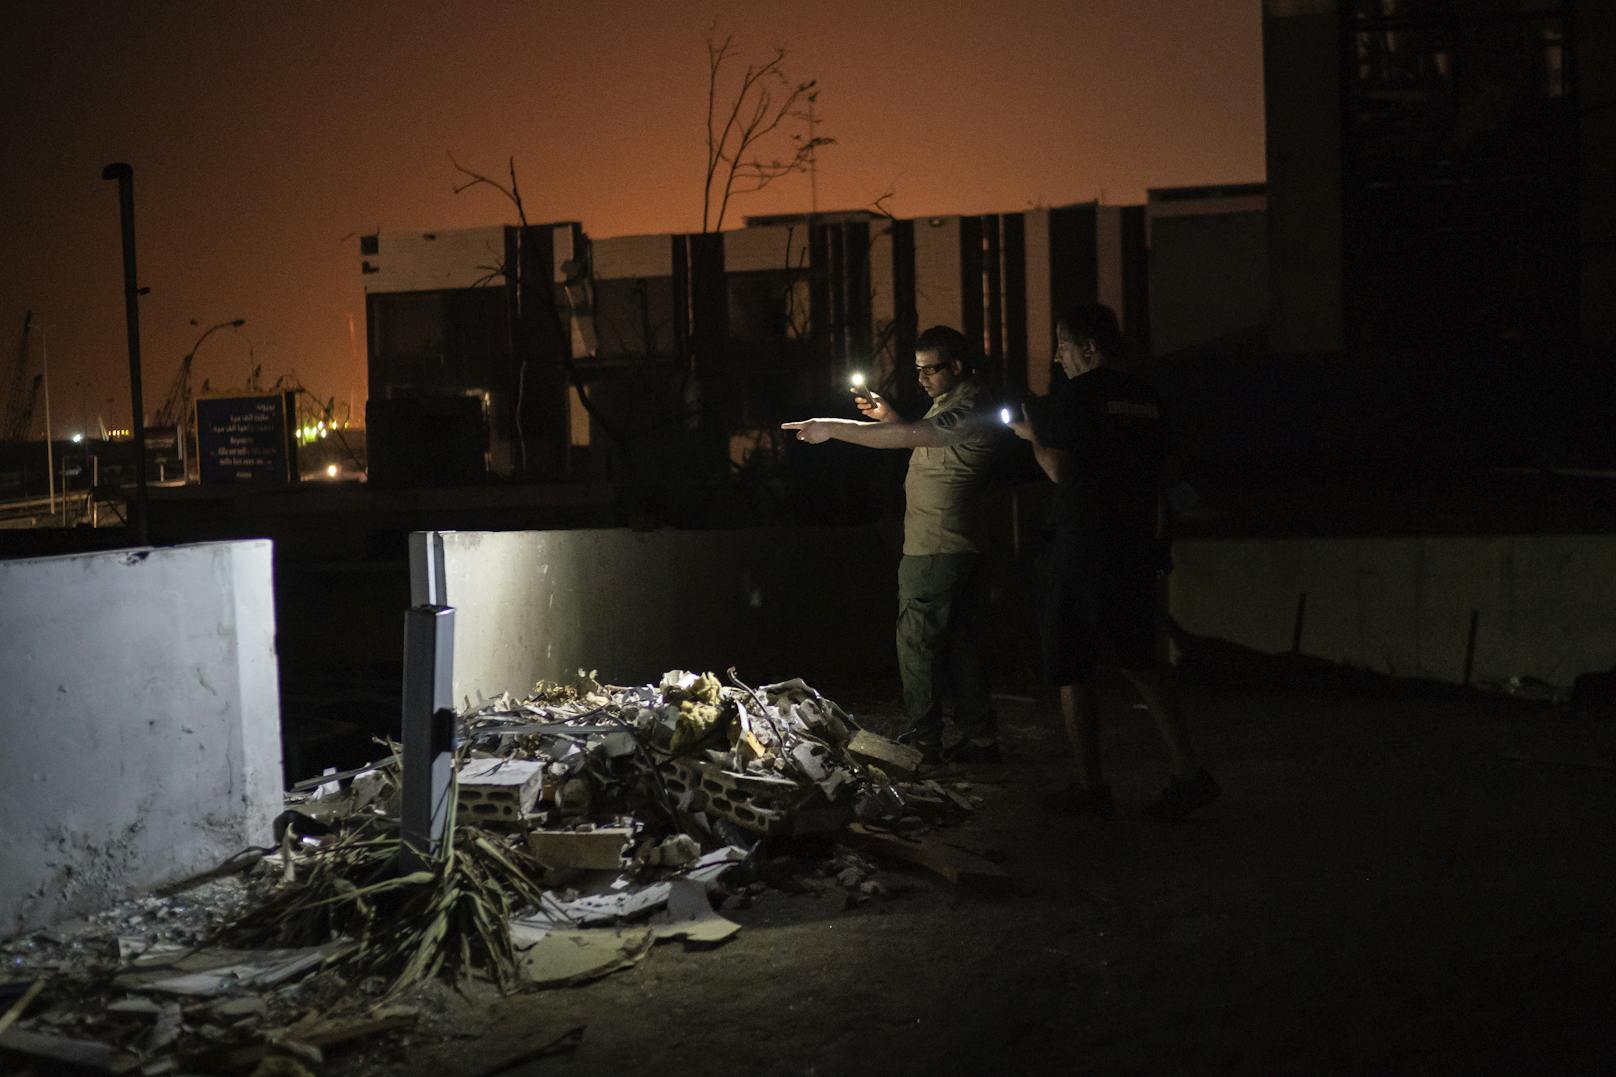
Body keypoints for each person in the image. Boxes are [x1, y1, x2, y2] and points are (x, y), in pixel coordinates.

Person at [1007, 303, 1219, 820]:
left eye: (1062, 343)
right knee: (1142, 663)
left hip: (1081, 548)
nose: (1057, 356)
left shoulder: (1077, 395)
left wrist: (1033, 432)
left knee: (1071, 664)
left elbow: (1059, 469)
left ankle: (1091, 786)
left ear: (1090, 347)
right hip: (1132, 546)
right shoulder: (1146, 396)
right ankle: (1189, 772)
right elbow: (1168, 466)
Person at [782, 325, 1001, 764]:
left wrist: (833, 427)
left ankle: (925, 740)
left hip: (936, 549)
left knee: (918, 647)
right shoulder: (955, 403)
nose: (921, 379)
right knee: (962, 644)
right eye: (918, 370)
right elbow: (922, 437)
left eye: (930, 370)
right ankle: (978, 737)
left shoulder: (971, 406)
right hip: (957, 547)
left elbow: (917, 437)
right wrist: (890, 419)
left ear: (956, 366)